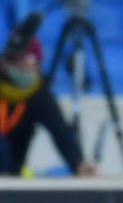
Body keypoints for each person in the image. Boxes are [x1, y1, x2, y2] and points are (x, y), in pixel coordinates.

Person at [0, 12, 98, 177]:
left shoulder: (38, 93)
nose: (28, 69)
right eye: (23, 62)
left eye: (33, 63)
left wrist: (77, 163)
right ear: (9, 61)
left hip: (11, 173)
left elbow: (60, 131)